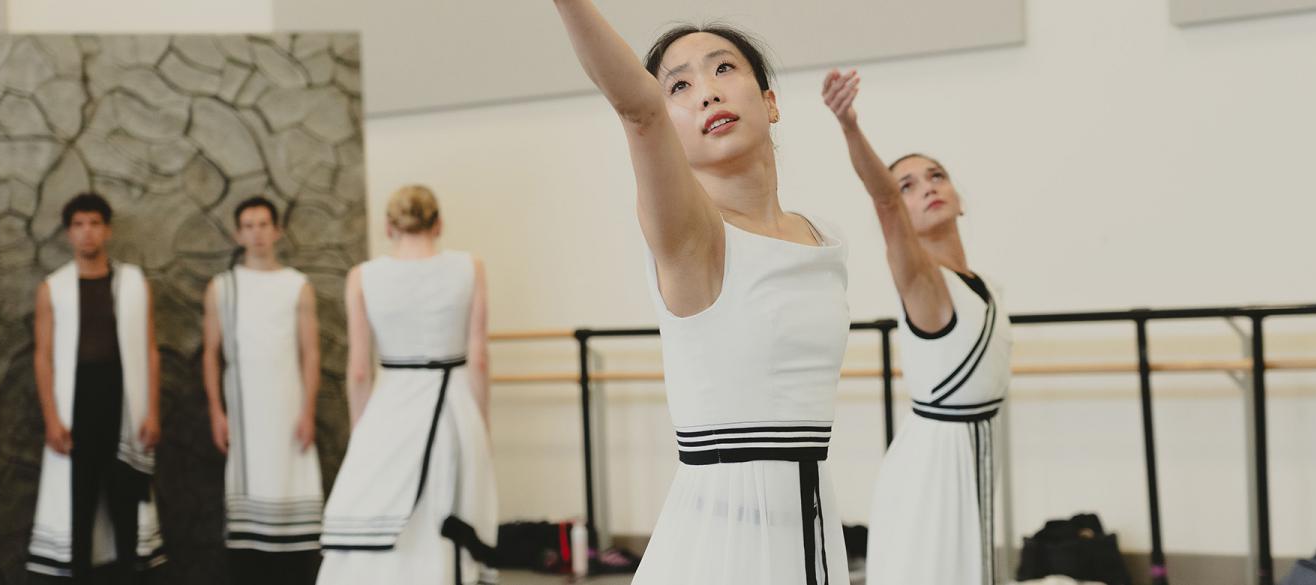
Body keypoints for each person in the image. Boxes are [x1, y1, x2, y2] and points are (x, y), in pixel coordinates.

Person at [549, 2, 853, 583]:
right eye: (679, 86)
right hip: (722, 541)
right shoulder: (694, 238)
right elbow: (637, 112)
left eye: (723, 70)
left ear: (769, 101)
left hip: (811, 526)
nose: (707, 93)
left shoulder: (822, 237)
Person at [823, 69, 1012, 585]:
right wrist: (849, 126)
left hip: (975, 457)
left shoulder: (987, 284)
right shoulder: (925, 284)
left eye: (936, 176)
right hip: (934, 471)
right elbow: (882, 201)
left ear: (959, 195)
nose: (927, 188)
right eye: (908, 185)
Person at [318, 185, 497, 584]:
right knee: (447, 512)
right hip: (454, 406)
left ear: (387, 227)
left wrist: (359, 429)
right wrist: (482, 425)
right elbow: (479, 357)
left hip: (390, 406)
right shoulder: (470, 267)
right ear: (438, 223)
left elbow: (360, 368)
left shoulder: (363, 277)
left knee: (375, 510)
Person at [29, 193, 166, 582]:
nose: (87, 233)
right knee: (78, 510)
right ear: (69, 233)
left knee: (126, 507)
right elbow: (43, 356)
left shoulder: (134, 283)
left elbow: (151, 350)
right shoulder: (52, 289)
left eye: (94, 224)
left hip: (123, 404)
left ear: (107, 230)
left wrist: (152, 411)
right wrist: (51, 419)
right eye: (78, 225)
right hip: (75, 407)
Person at [203, 196, 324, 584]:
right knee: (248, 527)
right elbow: (210, 354)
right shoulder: (223, 288)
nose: (257, 233)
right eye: (249, 225)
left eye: (264, 224)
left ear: (277, 231)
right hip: (245, 415)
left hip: (288, 411)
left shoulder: (297, 286)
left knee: (294, 503)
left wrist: (307, 412)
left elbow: (310, 354)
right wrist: (216, 412)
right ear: (239, 233)